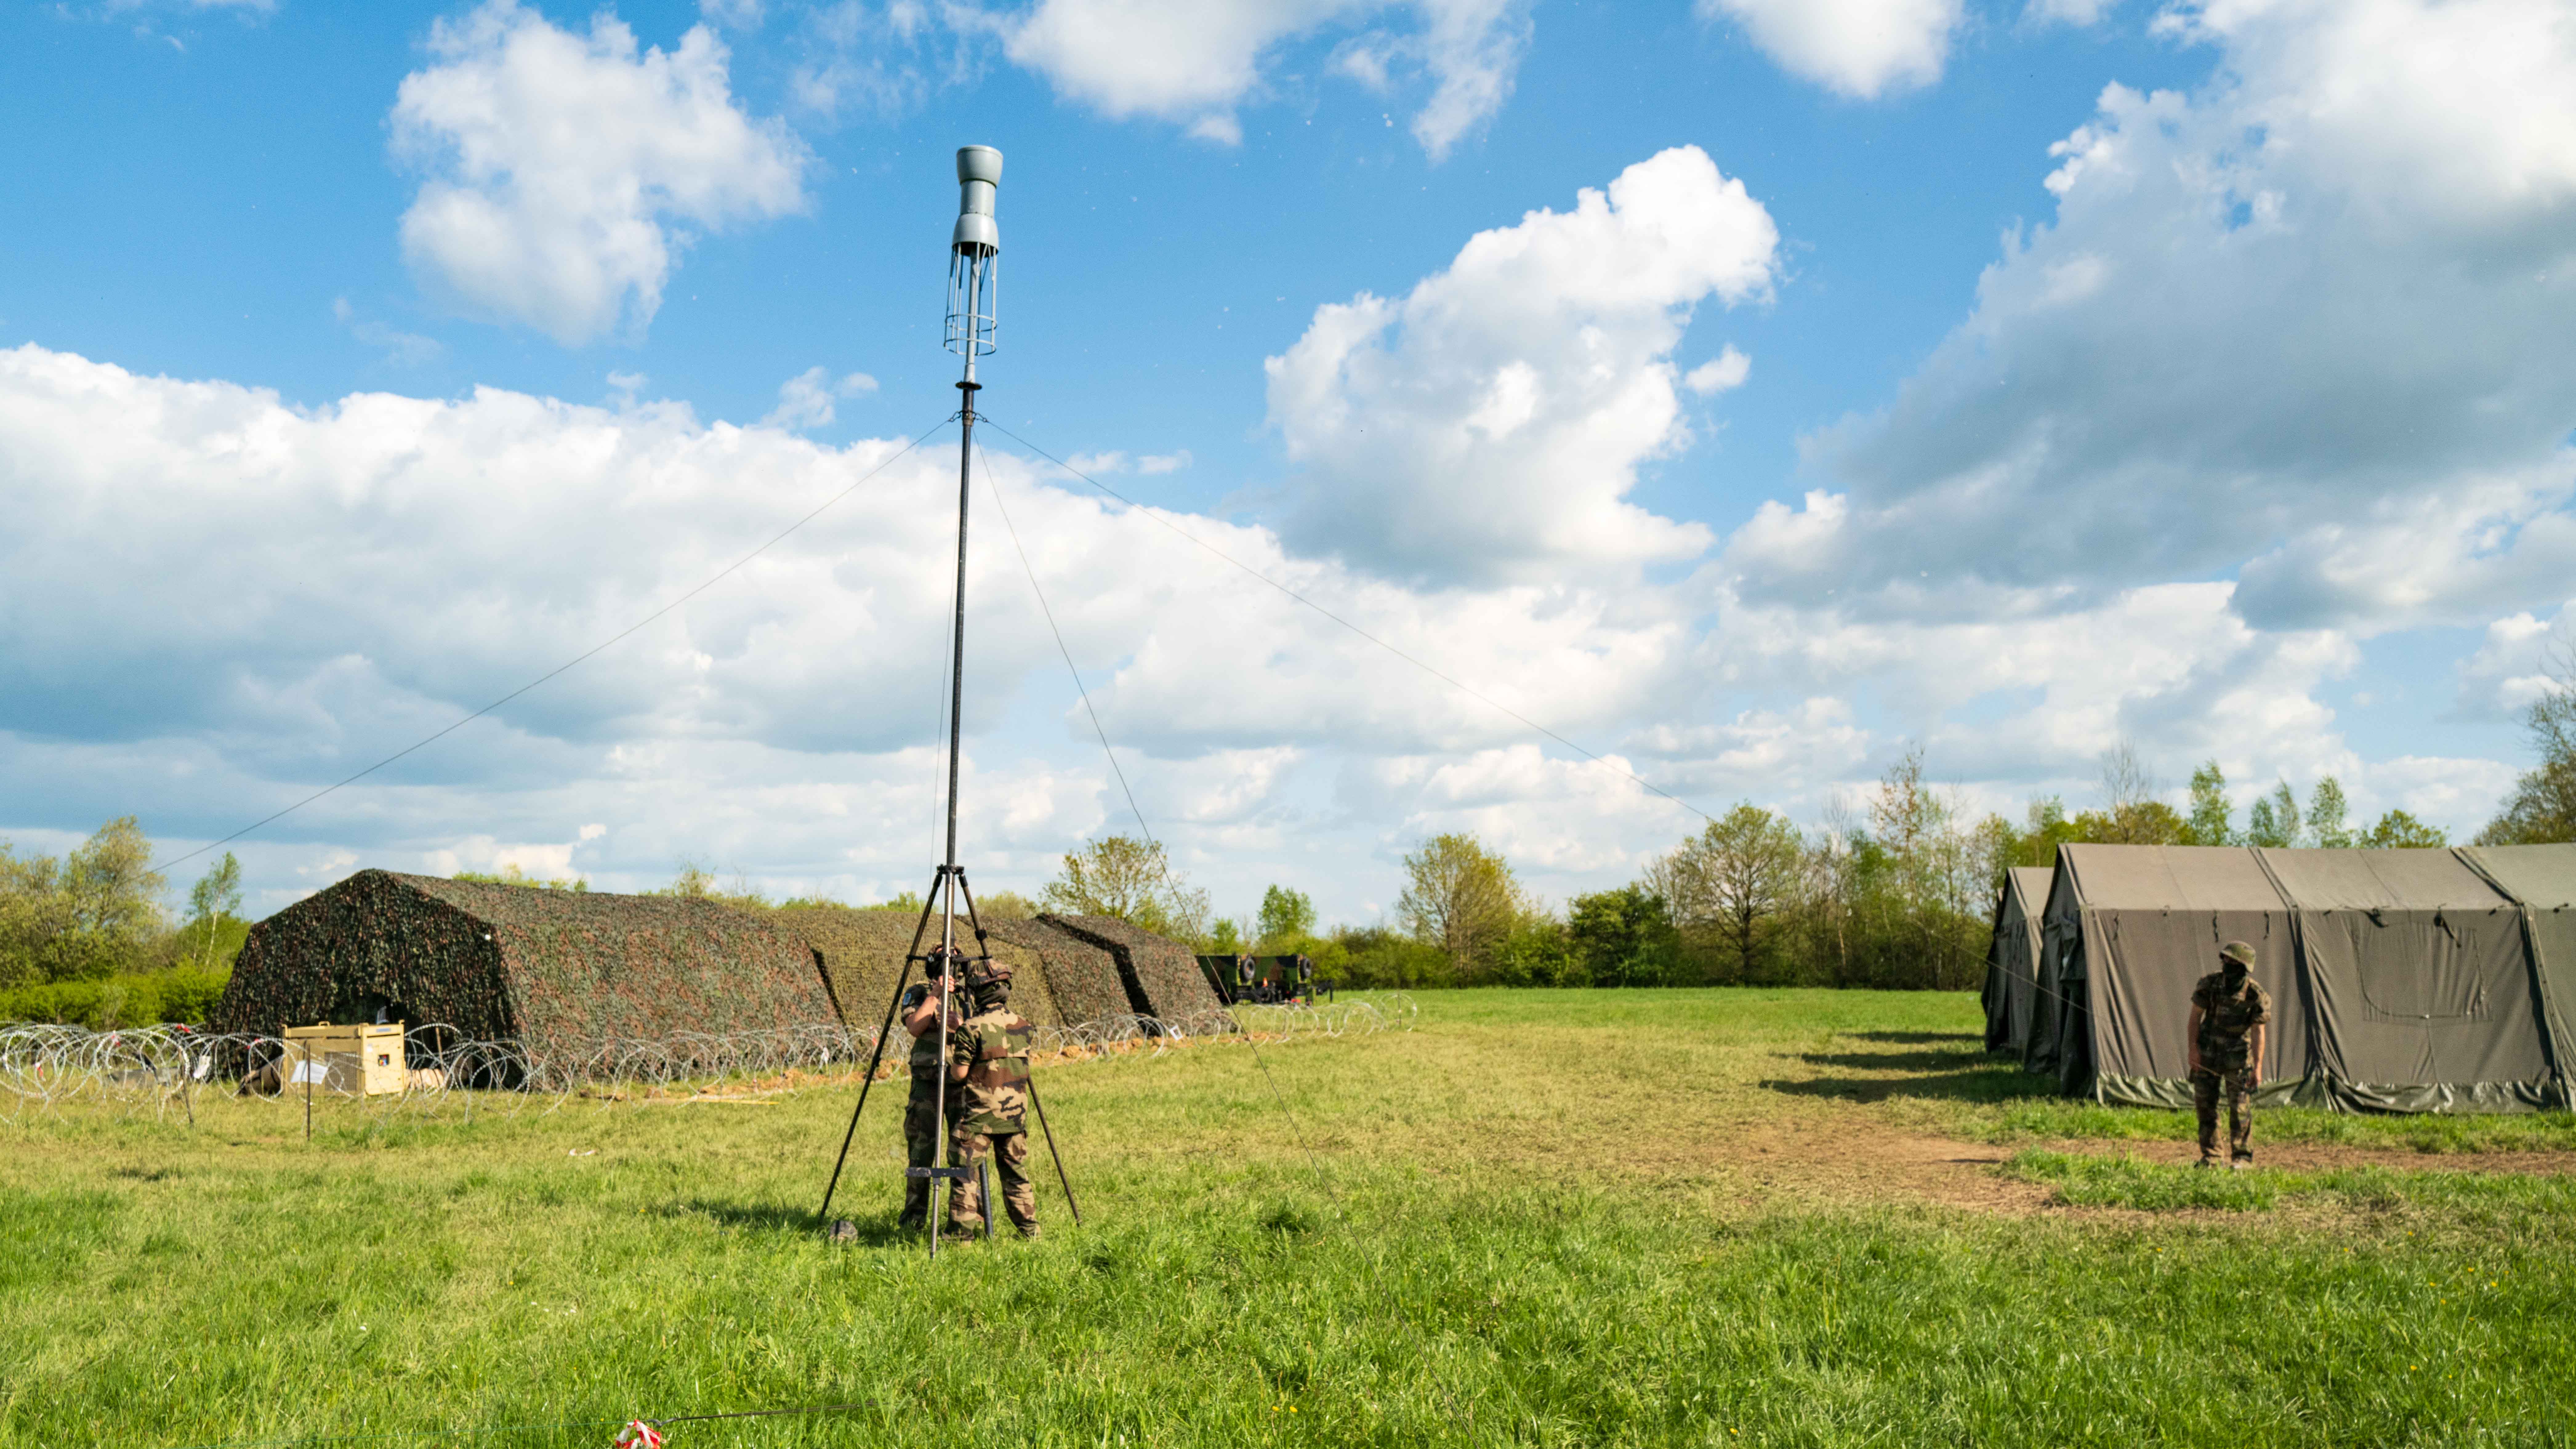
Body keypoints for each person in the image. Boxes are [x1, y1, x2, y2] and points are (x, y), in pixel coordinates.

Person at [945, 960, 1040, 1239]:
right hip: (1015, 1117)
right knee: (1016, 1175)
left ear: (978, 992)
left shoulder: (971, 1029)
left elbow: (960, 1073)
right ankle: (1029, 1232)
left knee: (964, 1176)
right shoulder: (1025, 1026)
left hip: (979, 1119)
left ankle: (962, 1237)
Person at [896, 946, 965, 1231]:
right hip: (927, 1083)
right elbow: (914, 1026)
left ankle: (963, 1221)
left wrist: (960, 1023)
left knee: (963, 1152)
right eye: (940, 956)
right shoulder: (920, 991)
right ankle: (914, 1220)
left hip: (960, 1082)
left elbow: (985, 1029)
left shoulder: (968, 994)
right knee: (921, 1152)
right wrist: (936, 995)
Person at [2188, 940, 2271, 1170]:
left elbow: (2258, 1031)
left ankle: (2243, 1158)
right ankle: (2212, 1157)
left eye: (2234, 961)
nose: (2228, 964)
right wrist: (2193, 1049)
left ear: (2245, 966)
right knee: (2205, 1105)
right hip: (2207, 1053)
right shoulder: (2210, 984)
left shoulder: (2256, 995)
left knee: (2240, 1108)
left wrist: (2258, 1067)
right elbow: (2195, 1017)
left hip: (2238, 1057)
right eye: (2226, 959)